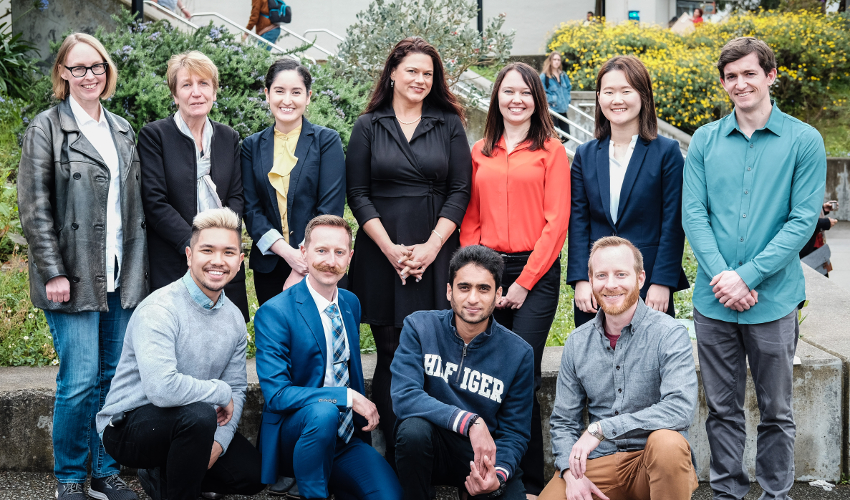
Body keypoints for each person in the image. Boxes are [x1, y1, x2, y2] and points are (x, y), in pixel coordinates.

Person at [682, 37, 826, 500]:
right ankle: (727, 493)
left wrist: (747, 276)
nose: (740, 83)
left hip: (774, 300)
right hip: (715, 302)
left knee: (777, 411)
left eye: (749, 73)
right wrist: (726, 276)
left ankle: (776, 494)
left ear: (770, 76)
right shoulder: (704, 140)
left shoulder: (803, 140)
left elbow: (802, 221)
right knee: (721, 410)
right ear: (723, 83)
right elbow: (694, 215)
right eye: (731, 76)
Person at [17, 33, 147, 500]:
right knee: (79, 380)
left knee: (114, 378)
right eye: (77, 68)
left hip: (119, 270)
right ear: (62, 75)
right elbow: (34, 209)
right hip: (70, 274)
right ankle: (70, 479)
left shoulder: (123, 129)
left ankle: (103, 472)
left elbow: (132, 209)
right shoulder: (46, 129)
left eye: (96, 67)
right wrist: (52, 270)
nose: (88, 75)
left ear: (107, 72)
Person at [346, 36, 473, 464]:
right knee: (389, 351)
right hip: (382, 249)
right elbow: (357, 193)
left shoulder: (449, 122)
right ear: (393, 73)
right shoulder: (368, 125)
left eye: (428, 73)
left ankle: (430, 446)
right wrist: (391, 250)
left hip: (436, 248)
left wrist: (432, 247)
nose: (420, 79)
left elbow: (460, 190)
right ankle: (389, 448)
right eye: (412, 71)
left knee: (435, 351)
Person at [97, 208, 264, 500]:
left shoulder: (235, 318)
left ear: (240, 261)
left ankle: (168, 475)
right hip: (129, 425)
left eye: (228, 253)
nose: (217, 261)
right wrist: (218, 390)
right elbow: (162, 390)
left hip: (193, 426)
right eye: (207, 250)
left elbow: (236, 388)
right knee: (198, 416)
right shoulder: (160, 309)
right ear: (189, 255)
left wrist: (218, 444)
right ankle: (171, 482)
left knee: (252, 474)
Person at [459, 61, 570, 498]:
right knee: (487, 373)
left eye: (526, 92)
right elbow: (470, 218)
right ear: (497, 98)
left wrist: (523, 282)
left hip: (535, 274)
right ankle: (490, 473)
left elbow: (556, 222)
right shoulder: (479, 150)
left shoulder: (552, 151)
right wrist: (478, 273)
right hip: (487, 269)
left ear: (537, 99)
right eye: (508, 91)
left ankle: (528, 481)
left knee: (521, 372)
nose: (516, 99)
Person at [254, 215, 403, 500]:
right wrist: (346, 397)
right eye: (321, 250)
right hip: (297, 434)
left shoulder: (351, 303)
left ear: (350, 256)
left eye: (339, 252)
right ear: (304, 252)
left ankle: (337, 480)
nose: (330, 261)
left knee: (389, 496)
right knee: (323, 411)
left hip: (345, 439)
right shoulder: (275, 312)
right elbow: (277, 395)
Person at [541, 236, 698, 500]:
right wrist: (569, 473)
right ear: (590, 281)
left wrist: (601, 429)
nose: (611, 284)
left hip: (652, 463)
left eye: (621, 274)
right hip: (598, 464)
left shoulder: (670, 333)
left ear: (640, 278)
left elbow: (679, 408)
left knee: (668, 444)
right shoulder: (577, 343)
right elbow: (564, 422)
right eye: (601, 275)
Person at [391, 245, 534, 500]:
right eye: (464, 287)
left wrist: (497, 475)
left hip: (482, 457)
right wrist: (470, 422)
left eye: (484, 289)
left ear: (498, 294)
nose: (472, 299)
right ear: (449, 291)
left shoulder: (519, 353)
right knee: (412, 430)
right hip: (429, 447)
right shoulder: (420, 327)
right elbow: (405, 397)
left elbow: (515, 432)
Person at [567, 55, 688, 329]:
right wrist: (581, 280)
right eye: (608, 92)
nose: (616, 100)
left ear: (643, 95)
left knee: (650, 364)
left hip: (647, 283)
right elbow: (578, 221)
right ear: (599, 97)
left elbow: (673, 223)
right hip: (597, 286)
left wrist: (662, 282)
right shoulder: (585, 155)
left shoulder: (666, 153)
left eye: (626, 91)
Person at [139, 50, 249, 322]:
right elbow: (155, 202)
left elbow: (235, 197)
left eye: (204, 84)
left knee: (223, 336)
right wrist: (195, 247)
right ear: (175, 95)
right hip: (174, 258)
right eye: (186, 85)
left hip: (221, 261)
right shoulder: (155, 136)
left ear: (214, 92)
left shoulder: (228, 137)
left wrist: (221, 247)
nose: (196, 92)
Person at [242, 58, 346, 307]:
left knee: (313, 341)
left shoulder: (326, 141)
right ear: (267, 94)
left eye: (296, 92)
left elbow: (330, 208)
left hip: (318, 265)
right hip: (270, 262)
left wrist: (301, 267)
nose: (287, 100)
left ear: (308, 97)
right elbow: (251, 208)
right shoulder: (251, 146)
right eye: (279, 91)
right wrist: (288, 254)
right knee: (275, 338)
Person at [540, 52, 572, 138]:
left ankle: (558, 149)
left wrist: (568, 99)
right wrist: (552, 99)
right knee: (554, 136)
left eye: (558, 60)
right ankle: (557, 150)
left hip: (563, 109)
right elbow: (540, 92)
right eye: (554, 59)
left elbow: (568, 88)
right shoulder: (544, 76)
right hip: (552, 110)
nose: (557, 62)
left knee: (567, 135)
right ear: (550, 61)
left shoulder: (563, 75)